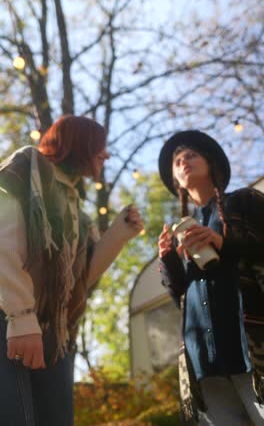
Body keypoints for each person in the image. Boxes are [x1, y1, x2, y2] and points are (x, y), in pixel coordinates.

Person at [0, 114, 143, 426]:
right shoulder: (28, 165)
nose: (105, 155)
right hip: (10, 317)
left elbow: (80, 282)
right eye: (99, 147)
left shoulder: (78, 210)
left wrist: (119, 235)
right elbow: (3, 238)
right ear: (79, 143)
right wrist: (21, 317)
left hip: (54, 333)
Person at [158, 130, 264, 425]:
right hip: (202, 360)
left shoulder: (243, 202)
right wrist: (169, 261)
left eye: (191, 155)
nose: (183, 162)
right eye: (177, 161)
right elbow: (182, 298)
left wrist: (223, 244)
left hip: (252, 348)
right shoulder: (182, 230)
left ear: (212, 163)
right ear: (176, 180)